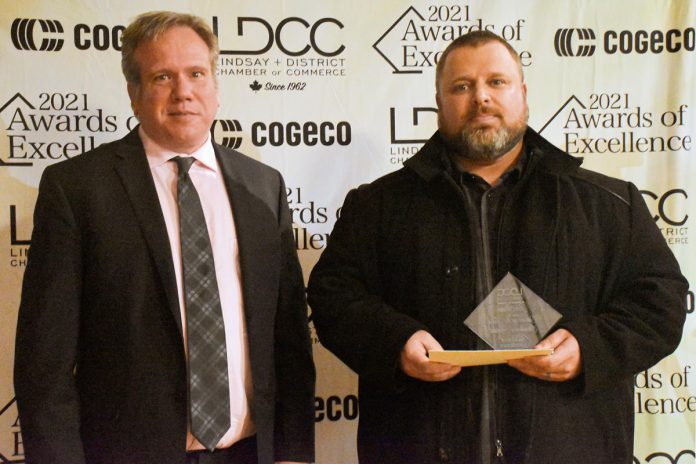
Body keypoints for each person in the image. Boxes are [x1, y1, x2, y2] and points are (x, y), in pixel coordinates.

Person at [307, 30, 687, 464]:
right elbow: (333, 297)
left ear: (523, 94)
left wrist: (589, 348)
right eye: (462, 86)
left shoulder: (609, 204)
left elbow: (662, 303)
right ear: (439, 101)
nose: (481, 98)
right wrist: (395, 343)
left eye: (497, 82)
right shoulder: (375, 206)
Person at [14, 11, 314, 464]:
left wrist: (294, 452)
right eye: (162, 77)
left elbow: (288, 337)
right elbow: (44, 366)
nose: (183, 93)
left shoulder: (263, 186)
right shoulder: (76, 190)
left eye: (197, 74)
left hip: (251, 452)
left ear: (215, 87)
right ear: (134, 94)